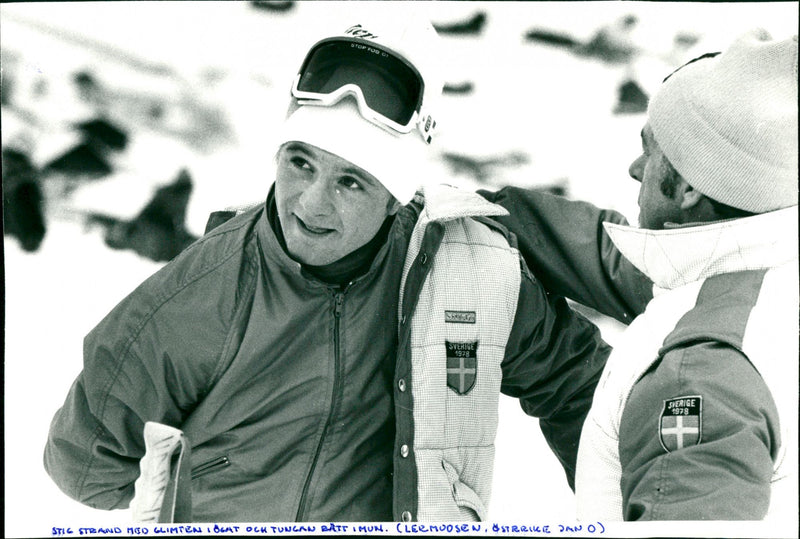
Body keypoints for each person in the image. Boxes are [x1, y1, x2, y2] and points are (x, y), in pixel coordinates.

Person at [44, 12, 610, 523]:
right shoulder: (197, 295)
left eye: (350, 181)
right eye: (300, 162)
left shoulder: (468, 272)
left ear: (396, 196)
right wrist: (204, 494)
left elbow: (581, 388)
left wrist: (636, 509)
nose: (311, 203)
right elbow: (83, 466)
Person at [481, 30, 798, 521]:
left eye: (650, 152)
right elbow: (629, 270)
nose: (634, 169)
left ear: (690, 187)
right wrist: (499, 213)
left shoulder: (699, 374)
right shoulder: (766, 276)